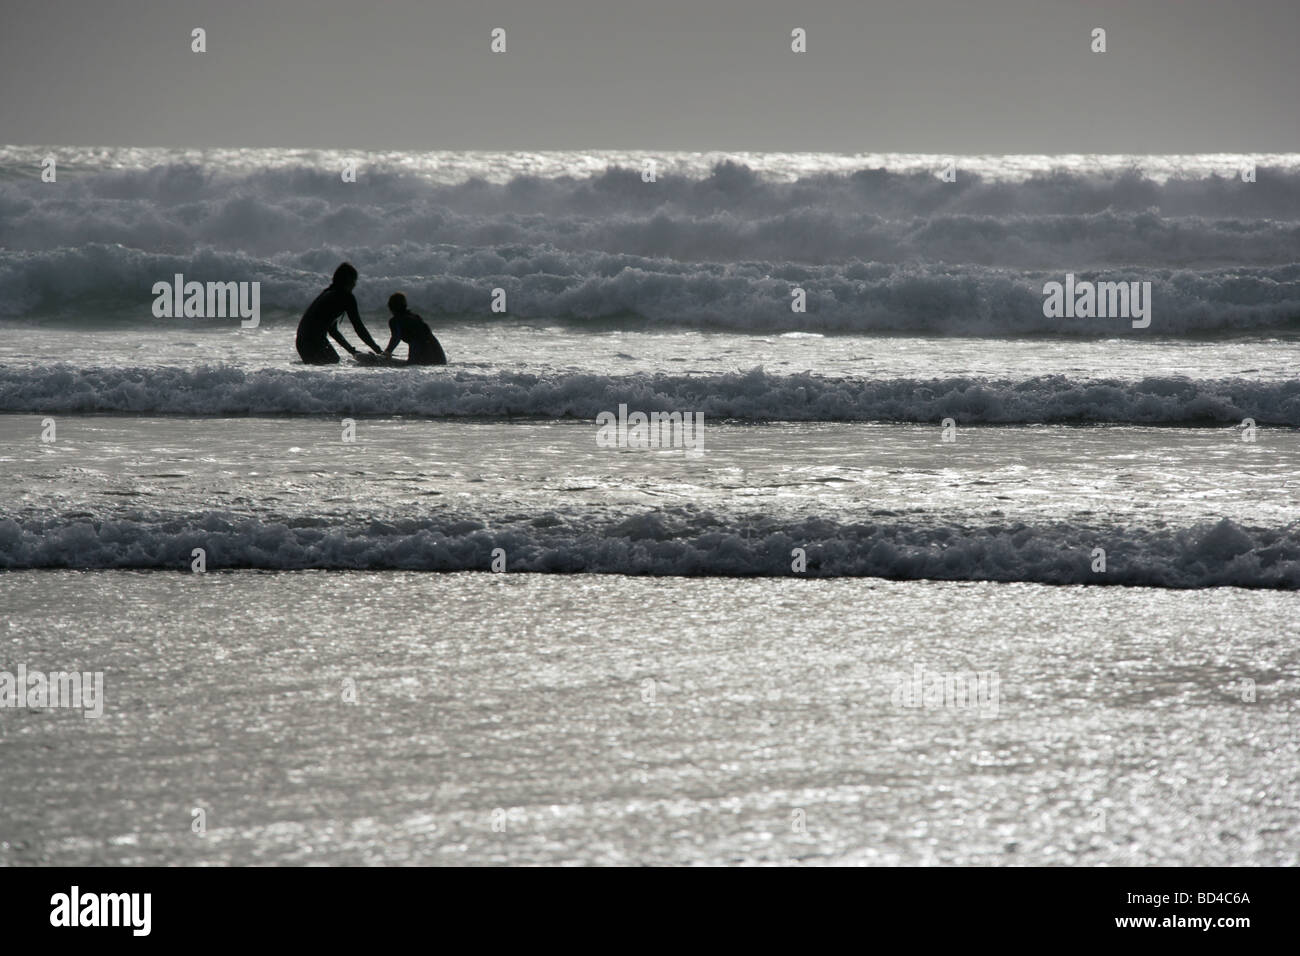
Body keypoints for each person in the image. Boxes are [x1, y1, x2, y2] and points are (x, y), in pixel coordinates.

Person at [295, 262, 384, 364]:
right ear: (349, 280)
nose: (355, 285)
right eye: (354, 281)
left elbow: (333, 331)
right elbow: (358, 326)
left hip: (301, 342)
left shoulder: (328, 293)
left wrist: (352, 351)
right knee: (332, 362)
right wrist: (377, 350)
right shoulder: (346, 297)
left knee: (330, 362)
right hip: (313, 341)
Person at [382, 292, 448, 365]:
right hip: (438, 355)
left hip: (421, 351)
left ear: (391, 307)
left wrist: (387, 352)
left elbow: (396, 338)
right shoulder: (416, 317)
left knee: (412, 366)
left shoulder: (395, 321)